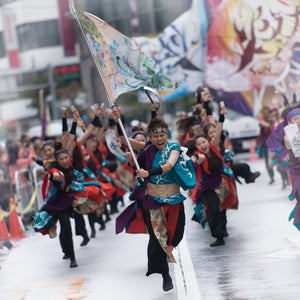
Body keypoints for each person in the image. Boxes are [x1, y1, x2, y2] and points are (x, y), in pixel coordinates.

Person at [115, 114, 196, 292]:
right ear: (150, 138)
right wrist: (119, 120)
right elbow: (123, 140)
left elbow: (168, 166)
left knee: (175, 236)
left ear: (166, 134)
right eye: (155, 136)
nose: (159, 139)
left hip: (173, 199)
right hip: (153, 201)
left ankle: (168, 253)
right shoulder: (147, 150)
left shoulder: (173, 147)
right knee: (158, 238)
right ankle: (165, 275)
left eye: (162, 135)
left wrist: (148, 173)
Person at [268, 103, 300, 229]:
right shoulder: (289, 137)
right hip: (298, 172)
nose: (298, 121)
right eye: (295, 119)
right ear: (289, 122)